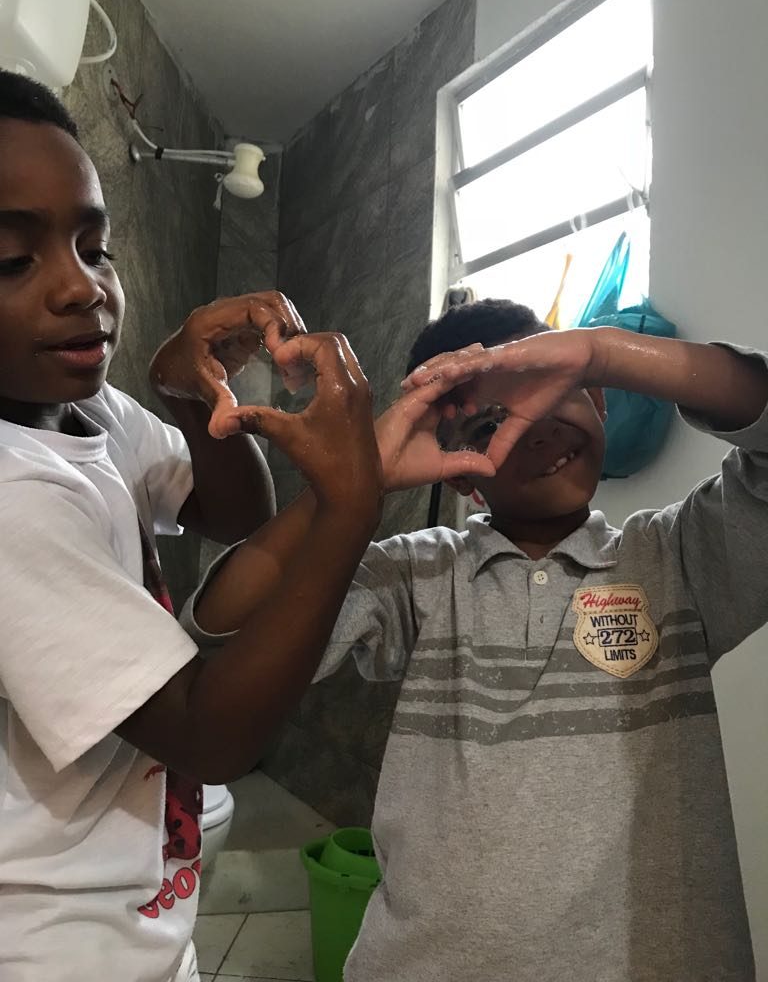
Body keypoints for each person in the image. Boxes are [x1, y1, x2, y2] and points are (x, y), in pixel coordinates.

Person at [186, 298, 768, 981]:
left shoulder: (679, 560)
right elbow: (223, 631)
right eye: (495, 422)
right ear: (459, 469)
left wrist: (599, 352)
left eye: (556, 396)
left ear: (600, 401)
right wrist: (352, 485)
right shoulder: (420, 574)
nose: (540, 432)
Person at [0, 70, 422, 982]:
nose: (83, 289)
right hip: (54, 952)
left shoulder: (85, 411)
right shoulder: (12, 498)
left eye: (93, 245)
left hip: (130, 914)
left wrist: (185, 392)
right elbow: (214, 734)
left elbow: (235, 513)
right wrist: (353, 506)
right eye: (12, 259)